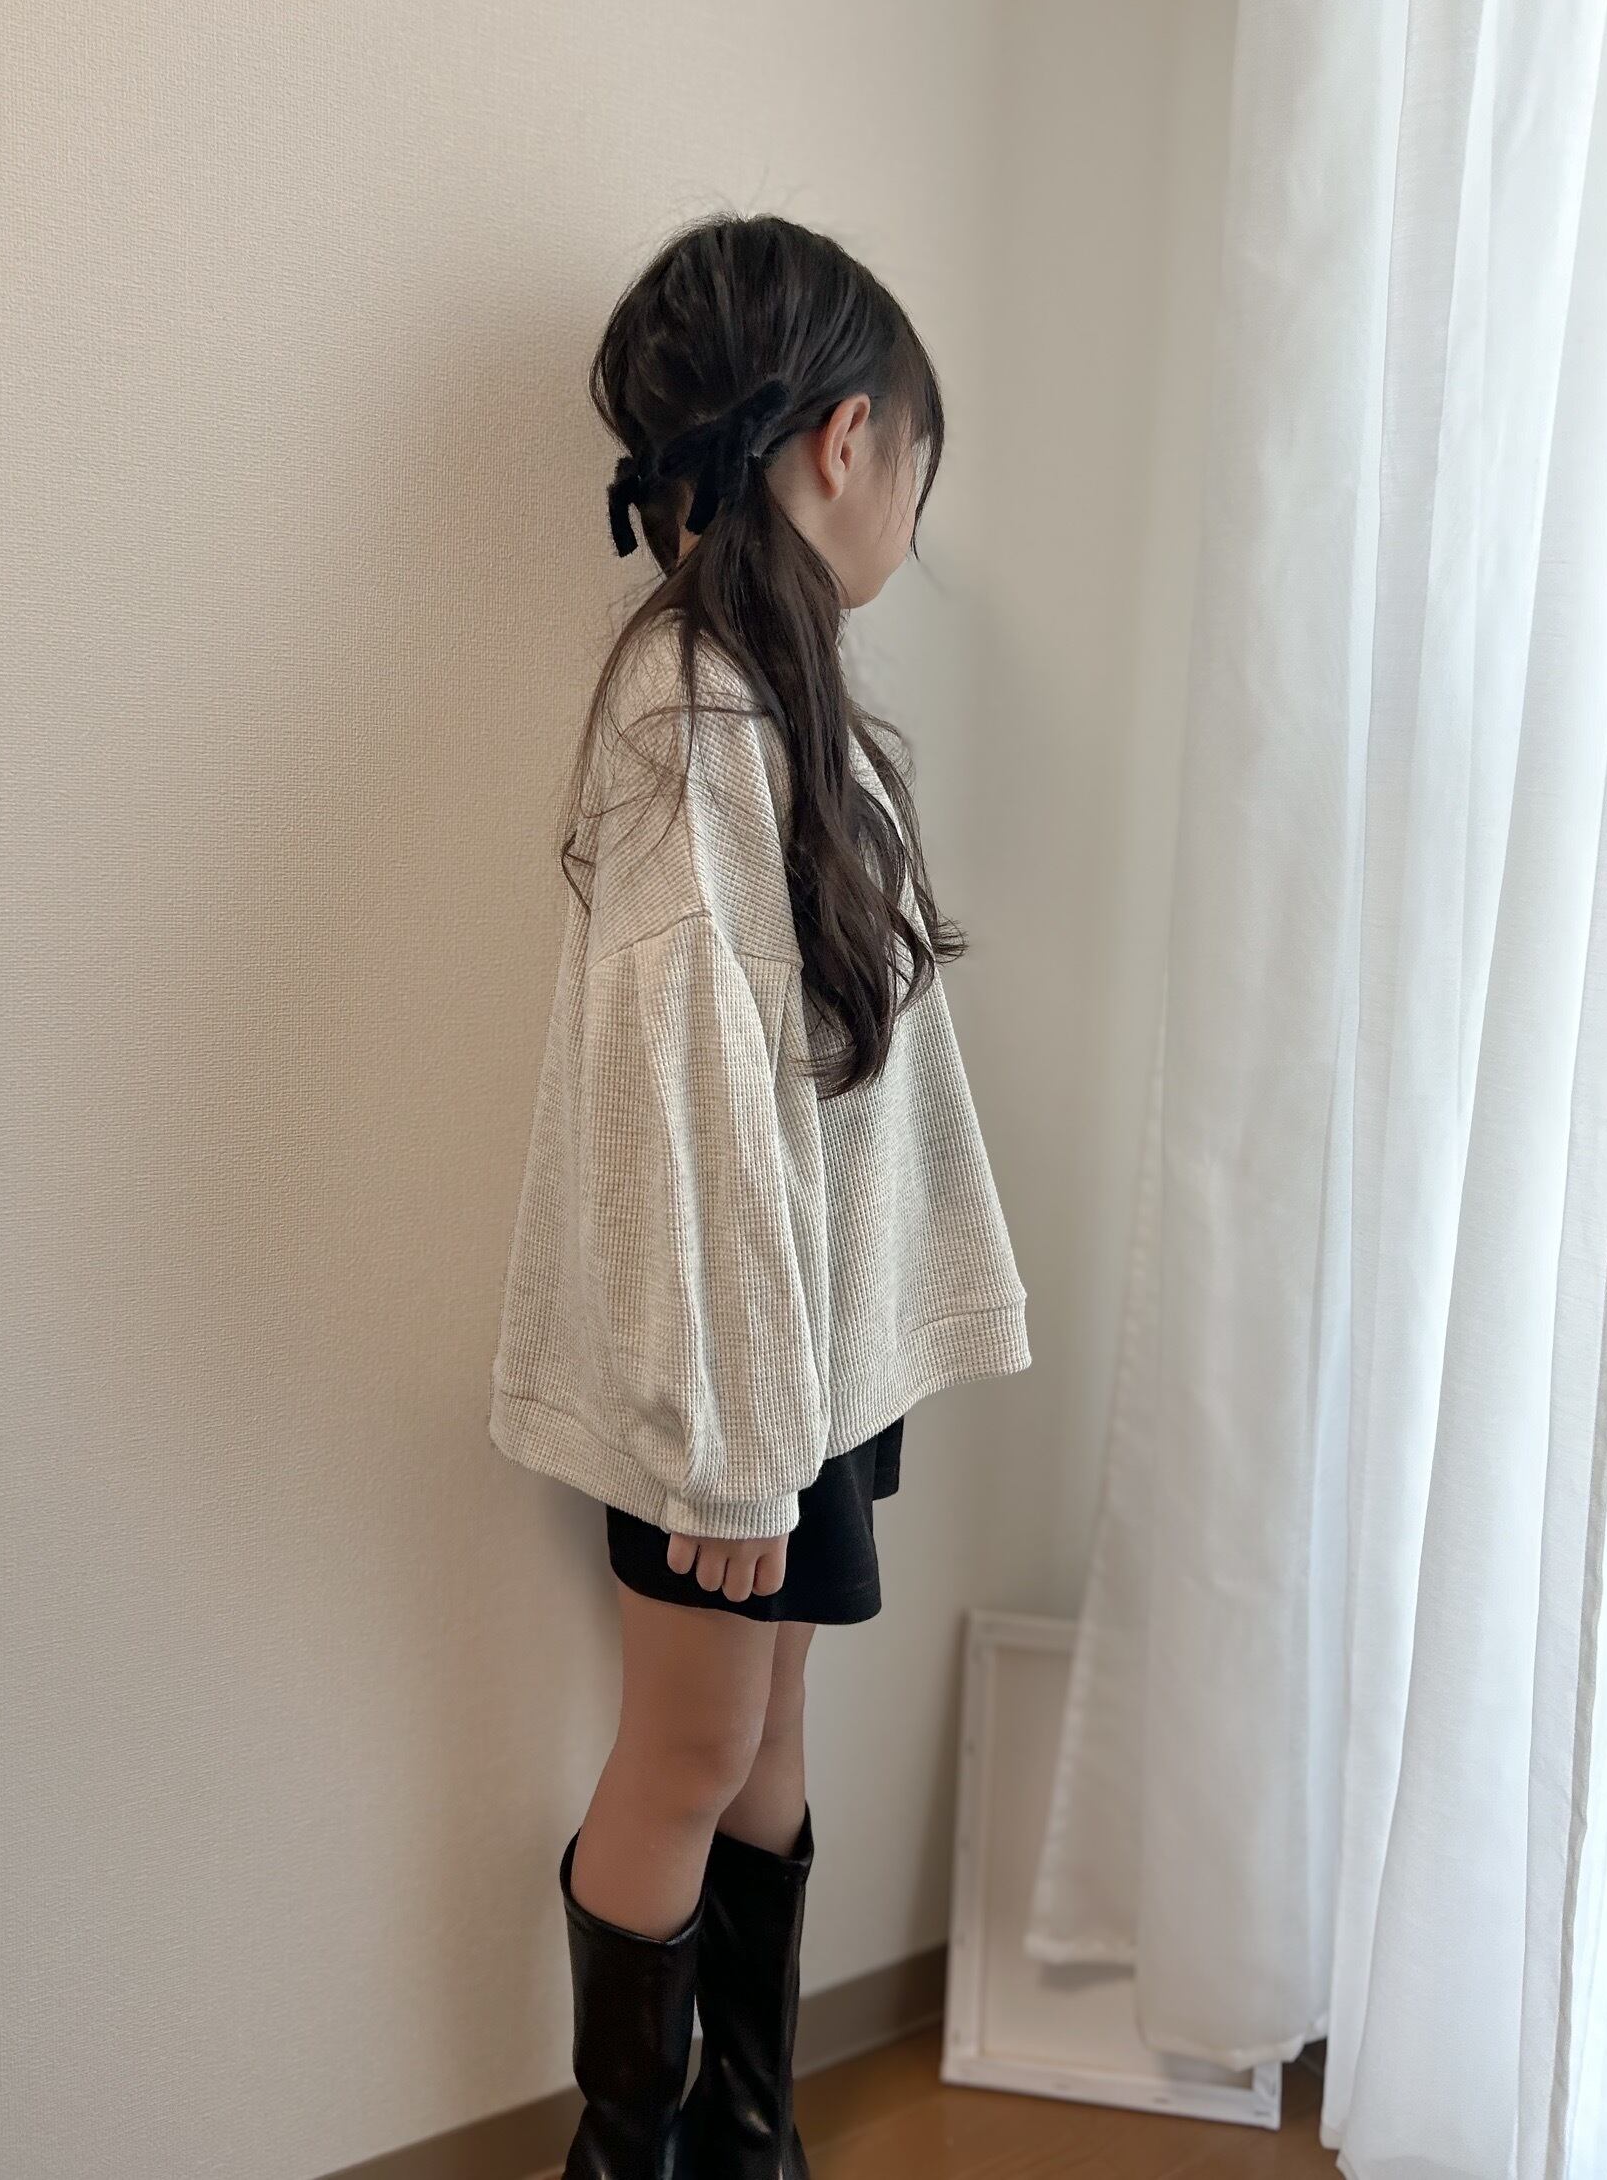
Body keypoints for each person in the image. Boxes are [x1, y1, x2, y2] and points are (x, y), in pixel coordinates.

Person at [489, 211, 1031, 2178]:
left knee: (767, 1739)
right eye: (913, 478)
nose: (905, 521)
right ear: (844, 441)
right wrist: (726, 1454)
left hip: (794, 1362)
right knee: (692, 1749)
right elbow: (689, 1104)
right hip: (721, 1378)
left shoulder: (773, 700)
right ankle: (626, 2155)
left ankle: (745, 2138)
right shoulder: (695, 712)